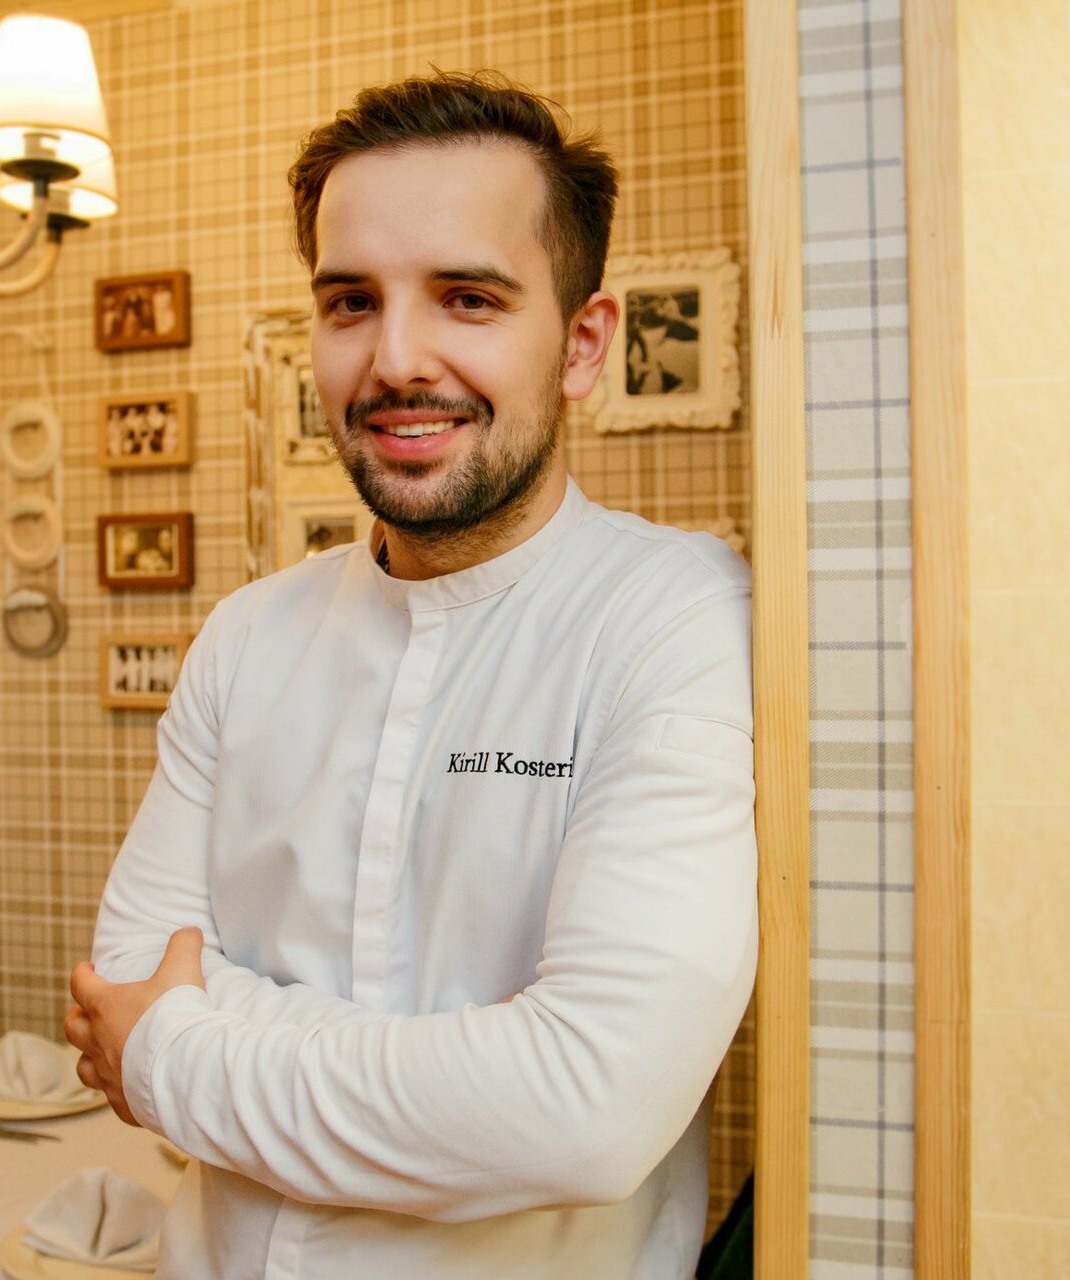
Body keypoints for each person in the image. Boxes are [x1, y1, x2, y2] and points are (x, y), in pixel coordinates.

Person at [64, 70, 756, 1279]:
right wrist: (466, 1069)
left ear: (583, 342)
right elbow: (125, 971)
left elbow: (588, 1106)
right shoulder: (246, 634)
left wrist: (179, 1048)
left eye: (467, 298)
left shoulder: (675, 615)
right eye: (350, 302)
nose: (394, 360)